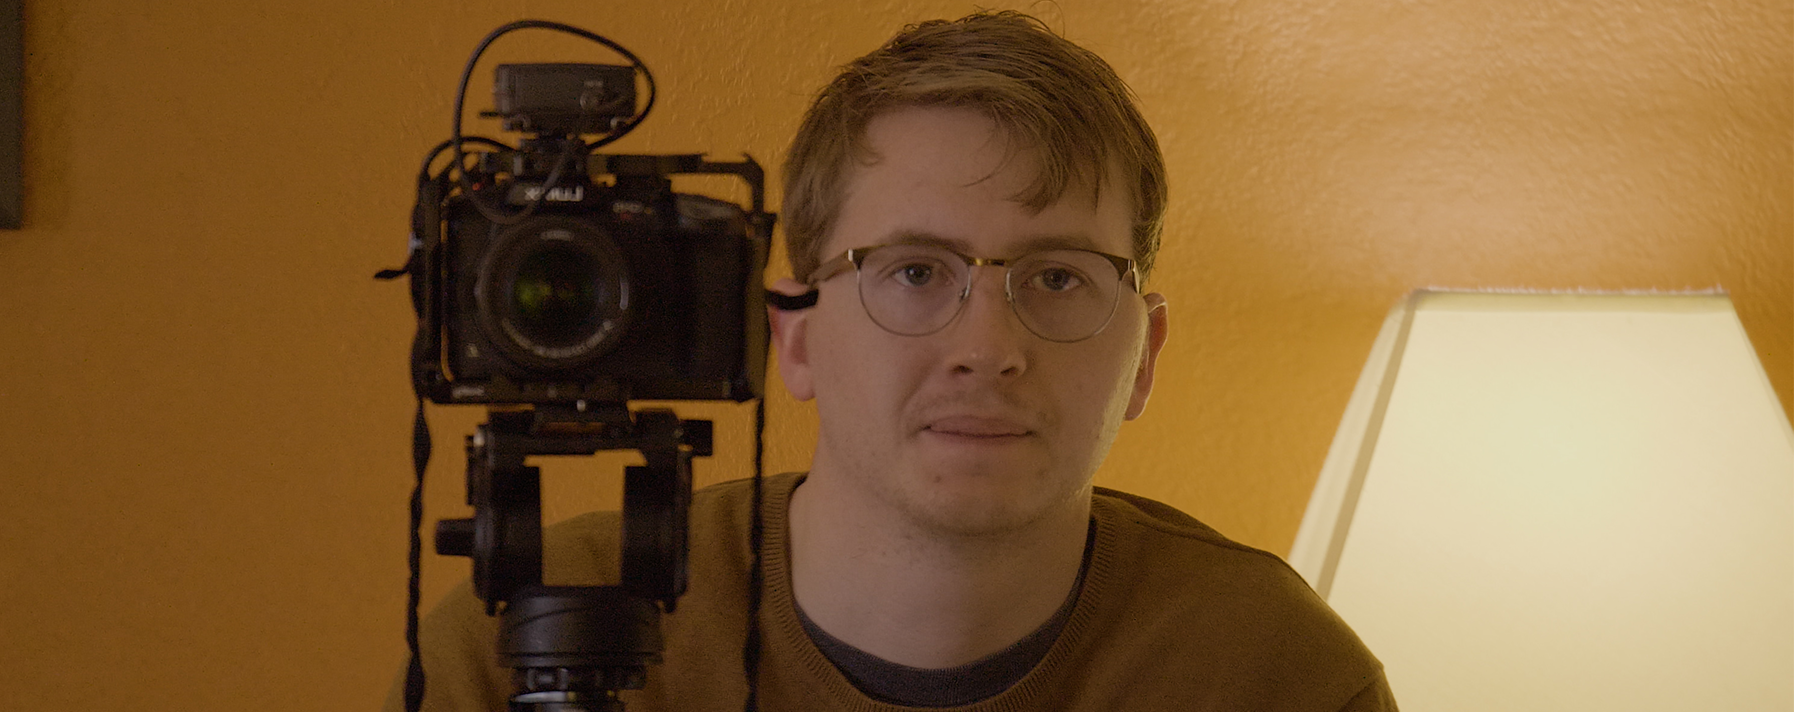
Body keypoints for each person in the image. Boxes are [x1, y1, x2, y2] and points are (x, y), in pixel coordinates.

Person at [393, 11, 1395, 710]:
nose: (988, 348)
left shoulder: (1272, 674)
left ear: (1144, 354)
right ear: (795, 333)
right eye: (915, 272)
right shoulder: (535, 627)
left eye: (1058, 277)